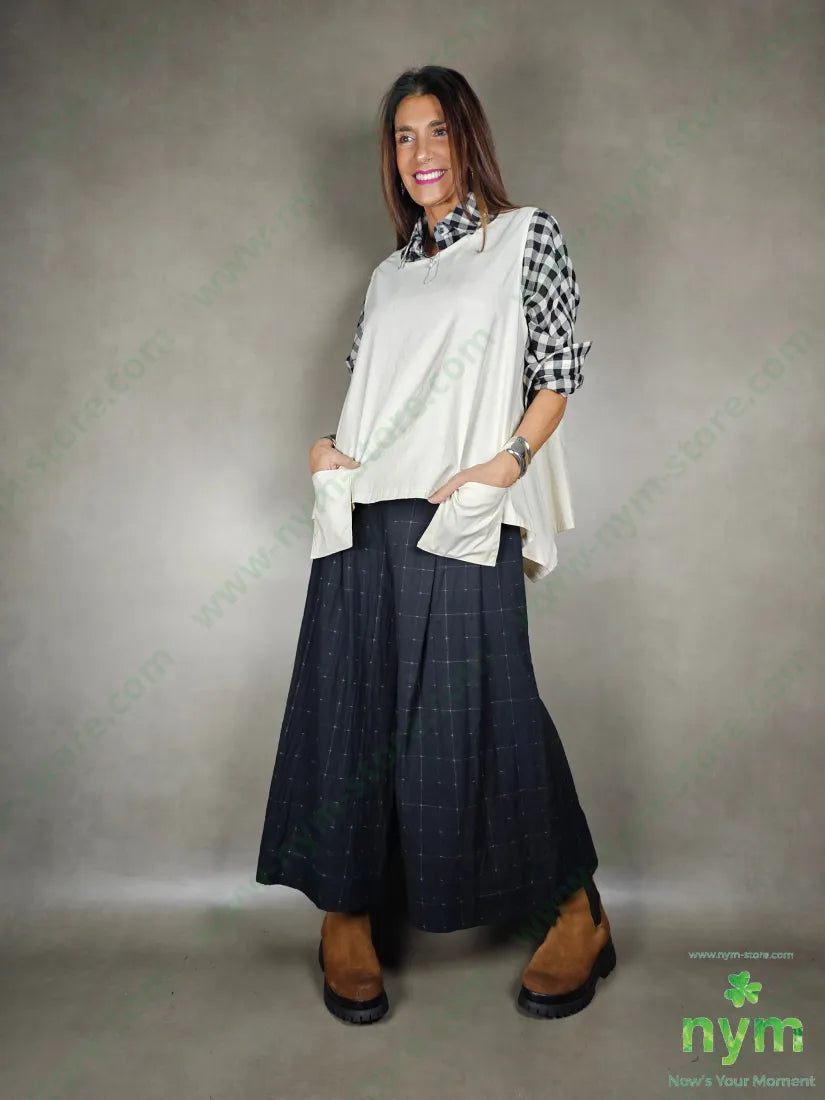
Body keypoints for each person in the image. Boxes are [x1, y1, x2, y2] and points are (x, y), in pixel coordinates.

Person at [255, 65, 616, 1025]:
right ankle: (344, 915)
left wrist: (506, 463)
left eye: (436, 131)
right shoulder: (387, 275)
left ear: (468, 139)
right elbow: (370, 393)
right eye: (402, 136)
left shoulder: (524, 236)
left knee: (488, 707)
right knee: (348, 704)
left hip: (461, 508)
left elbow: (558, 370)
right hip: (361, 513)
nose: (419, 153)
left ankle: (574, 911)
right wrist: (325, 448)